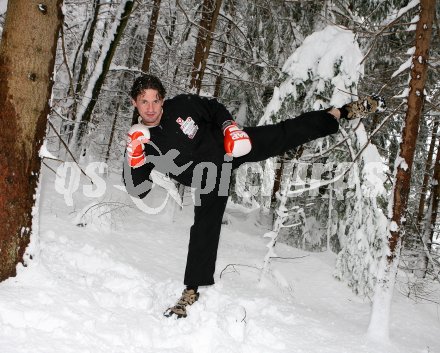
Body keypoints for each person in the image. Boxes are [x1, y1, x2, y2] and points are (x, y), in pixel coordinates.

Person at [122, 74, 385, 318]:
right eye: (144, 102)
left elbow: (213, 108)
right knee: (204, 226)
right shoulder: (142, 142)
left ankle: (340, 113)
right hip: (209, 178)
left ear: (163, 100)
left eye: (155, 100)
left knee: (282, 133)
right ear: (135, 103)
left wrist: (230, 129)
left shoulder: (181, 106)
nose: (151, 108)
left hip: (230, 147)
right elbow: (138, 188)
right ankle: (191, 292)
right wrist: (134, 157)